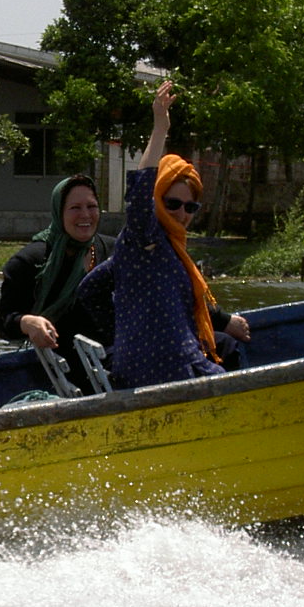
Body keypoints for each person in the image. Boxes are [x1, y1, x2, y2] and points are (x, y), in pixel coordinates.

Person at [76, 80, 250, 388]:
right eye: (172, 203)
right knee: (234, 379)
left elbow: (89, 290)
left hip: (170, 362)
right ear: (157, 200)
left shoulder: (165, 249)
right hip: (167, 370)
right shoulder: (144, 238)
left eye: (190, 207)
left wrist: (127, 330)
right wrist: (160, 128)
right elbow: (141, 189)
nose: (181, 213)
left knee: (227, 351)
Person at [0, 173, 115, 387]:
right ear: (59, 212)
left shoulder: (115, 253)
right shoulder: (31, 262)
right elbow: (2, 321)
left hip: (114, 367)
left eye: (91, 206)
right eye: (75, 208)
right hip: (60, 378)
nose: (85, 215)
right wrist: (27, 322)